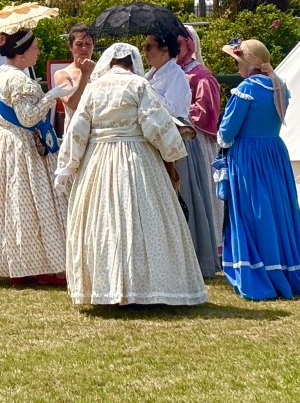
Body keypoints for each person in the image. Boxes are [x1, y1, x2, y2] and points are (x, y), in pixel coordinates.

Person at [55, 42, 207, 307]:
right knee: (142, 220)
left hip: (98, 158)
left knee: (104, 223)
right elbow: (155, 123)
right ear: (132, 62)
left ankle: (107, 287)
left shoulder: (93, 89)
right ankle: (146, 287)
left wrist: (67, 166)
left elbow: (77, 130)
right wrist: (173, 150)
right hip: (137, 158)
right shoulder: (139, 85)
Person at [0, 29, 75, 283]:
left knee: (11, 203)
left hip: (4, 142)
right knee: (31, 203)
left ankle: (20, 264)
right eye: (35, 47)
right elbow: (28, 118)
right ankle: (39, 264)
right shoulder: (19, 80)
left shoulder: (1, 73)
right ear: (22, 53)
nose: (38, 51)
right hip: (23, 146)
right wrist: (52, 95)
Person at [218, 38, 300, 300]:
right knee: (276, 210)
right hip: (274, 153)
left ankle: (258, 273)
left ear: (248, 64)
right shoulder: (279, 87)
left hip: (249, 155)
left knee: (252, 212)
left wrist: (223, 142)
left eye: (238, 62)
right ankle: (284, 269)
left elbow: (227, 131)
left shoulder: (245, 90)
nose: (237, 67)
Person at [143, 29, 220, 280]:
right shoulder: (153, 74)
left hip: (180, 142)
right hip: (160, 143)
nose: (145, 52)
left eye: (149, 47)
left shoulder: (179, 75)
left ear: (165, 51)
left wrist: (148, 96)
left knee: (185, 198)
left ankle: (194, 257)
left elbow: (176, 111)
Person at [178, 25, 224, 242]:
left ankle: (211, 239)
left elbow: (206, 111)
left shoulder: (200, 75)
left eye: (178, 44)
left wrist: (176, 112)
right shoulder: (172, 72)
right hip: (179, 138)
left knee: (203, 186)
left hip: (198, 140)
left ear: (189, 45)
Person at [52, 24, 96, 126]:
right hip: (75, 130)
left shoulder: (102, 71)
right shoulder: (62, 74)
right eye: (79, 44)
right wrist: (84, 75)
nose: (84, 48)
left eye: (88, 44)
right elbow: (72, 104)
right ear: (70, 47)